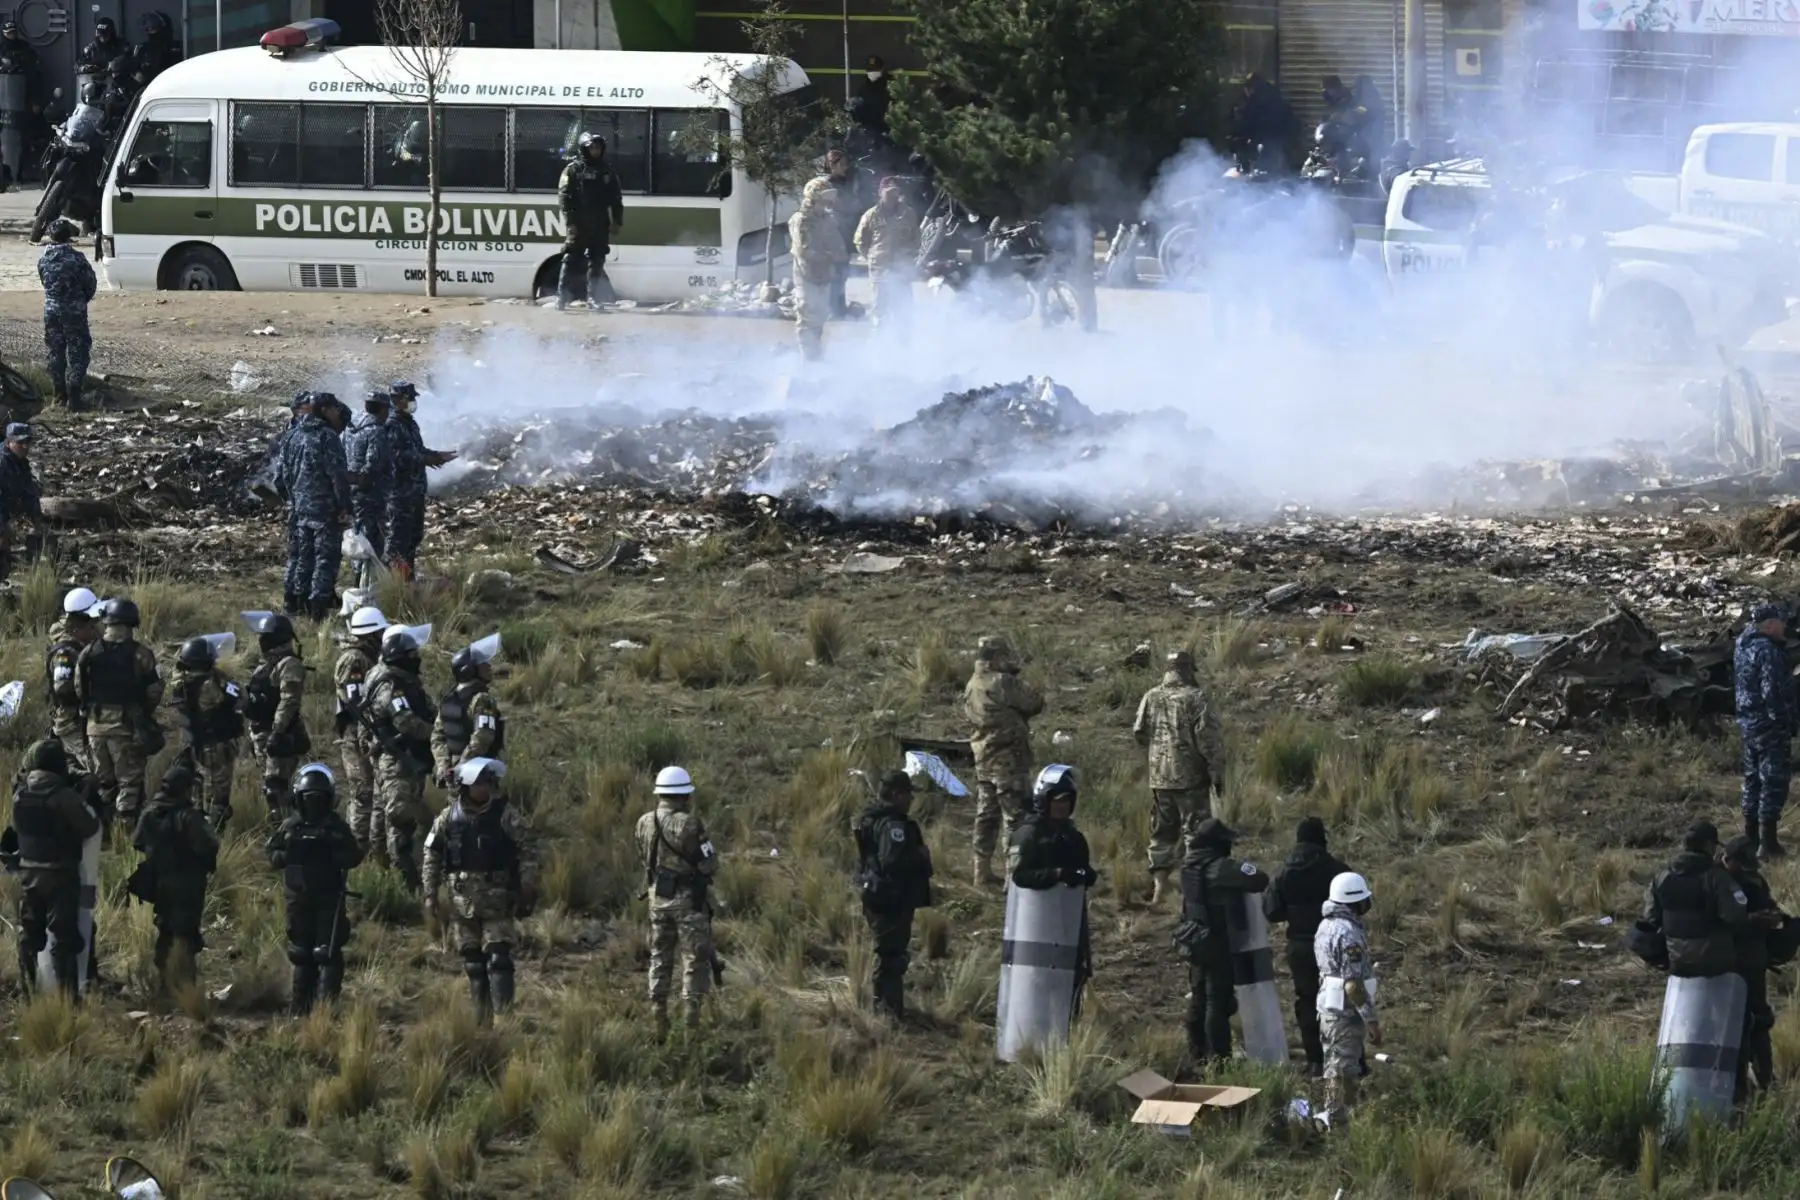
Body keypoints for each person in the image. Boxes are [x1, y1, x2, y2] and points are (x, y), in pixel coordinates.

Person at [422, 758, 537, 1022]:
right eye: (480, 782)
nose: (486, 787)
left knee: (499, 959)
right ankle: (480, 1022)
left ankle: (504, 1019)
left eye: (488, 781)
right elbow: (431, 854)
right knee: (473, 962)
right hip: (462, 903)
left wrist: (528, 885)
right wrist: (430, 894)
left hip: (497, 899)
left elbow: (528, 848)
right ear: (466, 786)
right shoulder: (447, 818)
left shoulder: (506, 814)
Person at [5, 739, 100, 999]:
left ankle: (28, 993)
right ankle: (68, 1001)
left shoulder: (20, 795)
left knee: (29, 934)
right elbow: (89, 827)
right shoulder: (64, 797)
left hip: (29, 873)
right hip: (60, 874)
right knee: (63, 938)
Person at [266, 764, 363, 1014]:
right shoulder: (290, 826)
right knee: (301, 952)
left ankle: (325, 1010)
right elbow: (271, 854)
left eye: (319, 799)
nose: (314, 804)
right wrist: (288, 853)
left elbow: (354, 856)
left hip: (329, 897)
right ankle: (300, 1008)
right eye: (310, 799)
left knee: (327, 953)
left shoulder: (336, 827)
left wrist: (332, 851)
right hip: (298, 897)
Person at [1177, 817, 1269, 1067]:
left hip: (1195, 939)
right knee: (1217, 1001)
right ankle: (1220, 1059)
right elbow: (1259, 879)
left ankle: (1197, 1053)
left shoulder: (1189, 866)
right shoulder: (1220, 868)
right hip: (1218, 941)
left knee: (1198, 998)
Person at [635, 765, 720, 1038]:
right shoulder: (689, 824)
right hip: (687, 902)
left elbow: (643, 859)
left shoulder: (643, 821)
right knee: (694, 959)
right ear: (685, 795)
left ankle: (658, 1018)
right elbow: (709, 864)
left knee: (659, 957)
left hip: (657, 898)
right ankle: (690, 1026)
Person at [1264, 817, 1352, 1075]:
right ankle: (1343, 1058)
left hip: (1300, 945)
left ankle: (1315, 1060)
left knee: (1307, 1000)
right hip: (1335, 945)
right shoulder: (1337, 869)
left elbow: (1271, 911)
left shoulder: (1284, 872)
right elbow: (1359, 903)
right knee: (1339, 1000)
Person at [1133, 649, 1220, 904]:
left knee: (1161, 834)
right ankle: (1193, 890)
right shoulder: (1197, 698)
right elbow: (1209, 742)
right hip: (1191, 778)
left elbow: (1139, 732)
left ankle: (1160, 888)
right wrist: (1216, 774)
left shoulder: (1151, 696)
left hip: (1159, 779)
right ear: (1187, 670)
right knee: (1196, 833)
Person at [1008, 765, 1096, 1013]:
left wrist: (1084, 875)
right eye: (1058, 800)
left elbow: (1085, 871)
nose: (1063, 806)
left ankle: (1068, 1035)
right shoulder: (1028, 834)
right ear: (1044, 799)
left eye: (1067, 801)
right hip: (1035, 924)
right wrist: (1056, 875)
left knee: (1073, 979)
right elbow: (1020, 876)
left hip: (1069, 921)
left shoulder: (1073, 837)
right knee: (1038, 982)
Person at [130, 756, 218, 995]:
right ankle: (185, 986)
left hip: (159, 882)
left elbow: (137, 842)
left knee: (166, 929)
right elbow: (208, 846)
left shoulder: (150, 813)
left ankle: (164, 984)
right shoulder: (188, 816)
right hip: (187, 884)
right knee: (186, 933)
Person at [853, 769, 934, 1021]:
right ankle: (887, 1014)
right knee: (891, 957)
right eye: (908, 794)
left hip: (880, 896)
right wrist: (920, 857)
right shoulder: (893, 825)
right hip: (890, 900)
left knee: (890, 955)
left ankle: (887, 1011)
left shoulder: (874, 819)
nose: (911, 800)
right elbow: (892, 861)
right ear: (897, 795)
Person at [74, 597, 163, 823]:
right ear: (131, 623)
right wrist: (141, 712)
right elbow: (154, 690)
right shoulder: (141, 654)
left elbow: (78, 688)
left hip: (95, 727)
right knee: (129, 784)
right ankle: (125, 837)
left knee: (105, 784)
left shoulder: (88, 653)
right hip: (126, 728)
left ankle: (102, 831)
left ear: (107, 621)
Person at [965, 634, 1044, 886]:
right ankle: (1014, 875)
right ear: (997, 657)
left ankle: (981, 870)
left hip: (983, 758)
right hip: (1009, 759)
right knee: (1016, 817)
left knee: (986, 814)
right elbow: (1035, 702)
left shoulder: (972, 684)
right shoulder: (1003, 682)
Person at [364, 627, 435, 892]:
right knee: (400, 822)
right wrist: (437, 733)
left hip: (397, 757)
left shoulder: (396, 678)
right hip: (398, 759)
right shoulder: (390, 685)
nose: (416, 657)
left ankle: (384, 870)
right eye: (412, 654)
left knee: (385, 814)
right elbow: (406, 722)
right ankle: (404, 881)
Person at [277, 391, 350, 621]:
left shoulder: (293, 434)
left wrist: (295, 499)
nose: (338, 412)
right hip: (324, 510)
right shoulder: (327, 437)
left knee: (301, 557)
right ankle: (317, 610)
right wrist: (344, 506)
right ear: (325, 410)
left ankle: (295, 603)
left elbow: (283, 475)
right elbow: (338, 477)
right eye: (335, 408)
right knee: (325, 559)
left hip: (300, 509)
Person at [1315, 871, 1382, 1123]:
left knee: (1334, 1064)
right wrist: (1371, 1021)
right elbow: (1353, 986)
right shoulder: (1349, 934)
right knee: (1342, 1071)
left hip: (1328, 1009)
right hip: (1345, 1012)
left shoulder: (1325, 925)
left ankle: (1336, 1116)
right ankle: (1336, 1121)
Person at [1644, 821, 1750, 977]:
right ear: (1708, 845)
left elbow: (1650, 916)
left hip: (1675, 958)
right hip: (1714, 961)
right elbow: (1734, 916)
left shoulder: (1662, 875)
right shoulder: (1717, 878)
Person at [1721, 834, 1783, 1099]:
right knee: (1740, 1023)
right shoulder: (1717, 881)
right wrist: (1752, 919)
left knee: (1754, 1019)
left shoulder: (1746, 880)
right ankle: (1744, 1084)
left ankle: (1760, 1079)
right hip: (1732, 961)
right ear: (1728, 858)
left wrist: (1772, 917)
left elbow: (1770, 906)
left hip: (1748, 960)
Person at [1735, 603, 1794, 857]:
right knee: (1774, 780)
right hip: (1770, 726)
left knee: (1752, 779)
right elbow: (1773, 693)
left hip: (1749, 723)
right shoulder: (1768, 651)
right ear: (1770, 624)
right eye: (1782, 621)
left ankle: (1749, 838)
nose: (1786, 626)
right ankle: (1768, 844)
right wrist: (1786, 722)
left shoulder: (1742, 645)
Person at [168, 635, 244, 830]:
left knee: (199, 788)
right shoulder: (210, 685)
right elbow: (238, 697)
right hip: (217, 744)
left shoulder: (180, 682)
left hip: (196, 743)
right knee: (218, 795)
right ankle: (212, 834)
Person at [384, 381, 455, 582]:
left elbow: (418, 451)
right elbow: (396, 456)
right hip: (400, 494)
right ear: (397, 400)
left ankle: (408, 577)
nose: (413, 402)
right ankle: (395, 582)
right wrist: (426, 459)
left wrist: (437, 456)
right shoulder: (391, 425)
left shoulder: (410, 422)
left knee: (413, 537)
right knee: (398, 539)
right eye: (409, 398)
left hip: (415, 491)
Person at [242, 612, 310, 824]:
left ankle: (288, 832)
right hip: (263, 733)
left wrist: (277, 732)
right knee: (273, 788)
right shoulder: (268, 664)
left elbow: (289, 700)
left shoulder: (288, 664)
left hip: (279, 736)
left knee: (277, 790)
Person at [335, 604, 389, 862]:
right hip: (356, 734)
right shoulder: (355, 659)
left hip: (362, 732)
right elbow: (355, 702)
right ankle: (355, 853)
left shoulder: (364, 657)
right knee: (362, 792)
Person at [556, 132, 624, 312]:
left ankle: (593, 298)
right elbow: (564, 197)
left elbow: (616, 198)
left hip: (600, 222)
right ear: (584, 149)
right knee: (571, 258)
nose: (595, 151)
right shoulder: (572, 170)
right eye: (592, 147)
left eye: (598, 147)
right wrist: (570, 222)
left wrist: (617, 220)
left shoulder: (607, 171)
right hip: (579, 222)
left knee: (597, 260)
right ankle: (561, 298)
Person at [38, 221, 96, 409]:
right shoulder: (77, 259)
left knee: (55, 352)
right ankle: (75, 398)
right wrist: (79, 300)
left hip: (51, 311)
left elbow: (44, 283)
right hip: (74, 312)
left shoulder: (44, 259)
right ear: (68, 236)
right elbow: (90, 284)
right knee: (78, 351)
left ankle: (59, 396)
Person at [788, 177, 847, 361]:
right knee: (807, 318)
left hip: (824, 275)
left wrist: (837, 255)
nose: (828, 204)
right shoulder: (801, 220)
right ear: (812, 200)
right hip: (807, 277)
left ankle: (815, 354)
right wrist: (829, 256)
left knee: (820, 318)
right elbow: (804, 251)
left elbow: (838, 245)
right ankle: (808, 359)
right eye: (824, 200)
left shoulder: (827, 219)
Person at [432, 635, 504, 784]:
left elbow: (437, 737)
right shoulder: (482, 699)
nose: (489, 666)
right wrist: (462, 768)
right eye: (483, 663)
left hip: (452, 773)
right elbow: (483, 737)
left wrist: (445, 767)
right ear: (469, 670)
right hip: (477, 773)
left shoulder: (448, 699)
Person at [853, 179, 919, 332]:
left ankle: (904, 344)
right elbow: (860, 241)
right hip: (880, 269)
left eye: (895, 191)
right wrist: (872, 257)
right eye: (888, 191)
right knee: (880, 308)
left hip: (902, 268)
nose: (892, 195)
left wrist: (909, 254)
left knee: (904, 307)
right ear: (880, 192)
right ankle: (880, 342)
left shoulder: (908, 213)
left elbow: (917, 237)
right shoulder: (871, 215)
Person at [46, 586, 100, 769]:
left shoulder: (80, 644)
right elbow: (63, 690)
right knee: (96, 768)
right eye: (91, 625)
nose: (95, 628)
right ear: (78, 626)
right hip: (72, 723)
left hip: (83, 718)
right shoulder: (66, 653)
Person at [345, 392, 393, 588]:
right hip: (371, 494)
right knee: (373, 540)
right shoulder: (376, 430)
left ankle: (360, 580)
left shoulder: (353, 428)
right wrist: (366, 481)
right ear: (382, 409)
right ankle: (367, 587)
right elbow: (373, 464)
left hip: (354, 491)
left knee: (359, 537)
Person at [824, 149, 872, 318]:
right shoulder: (826, 184)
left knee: (842, 272)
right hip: (833, 233)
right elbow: (839, 205)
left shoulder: (846, 181)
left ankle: (839, 307)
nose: (845, 167)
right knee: (835, 273)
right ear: (832, 165)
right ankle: (833, 309)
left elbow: (855, 202)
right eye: (842, 164)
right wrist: (851, 205)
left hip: (844, 232)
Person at [0, 20, 43, 188]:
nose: (11, 35)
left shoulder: (25, 49)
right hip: (3, 100)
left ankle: (18, 174)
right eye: (8, 32)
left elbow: (35, 77)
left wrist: (36, 101)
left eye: (13, 32)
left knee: (22, 139)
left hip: (22, 99)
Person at [1228, 73, 1296, 173]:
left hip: (1267, 140)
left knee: (1263, 169)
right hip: (1280, 139)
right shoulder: (1275, 96)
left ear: (1251, 87)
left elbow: (1252, 123)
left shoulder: (1256, 101)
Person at [0, 422, 41, 580]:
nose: (25, 446)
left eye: (28, 442)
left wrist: (37, 521)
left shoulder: (21, 463)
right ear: (9, 442)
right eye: (20, 442)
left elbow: (29, 494)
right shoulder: (2, 464)